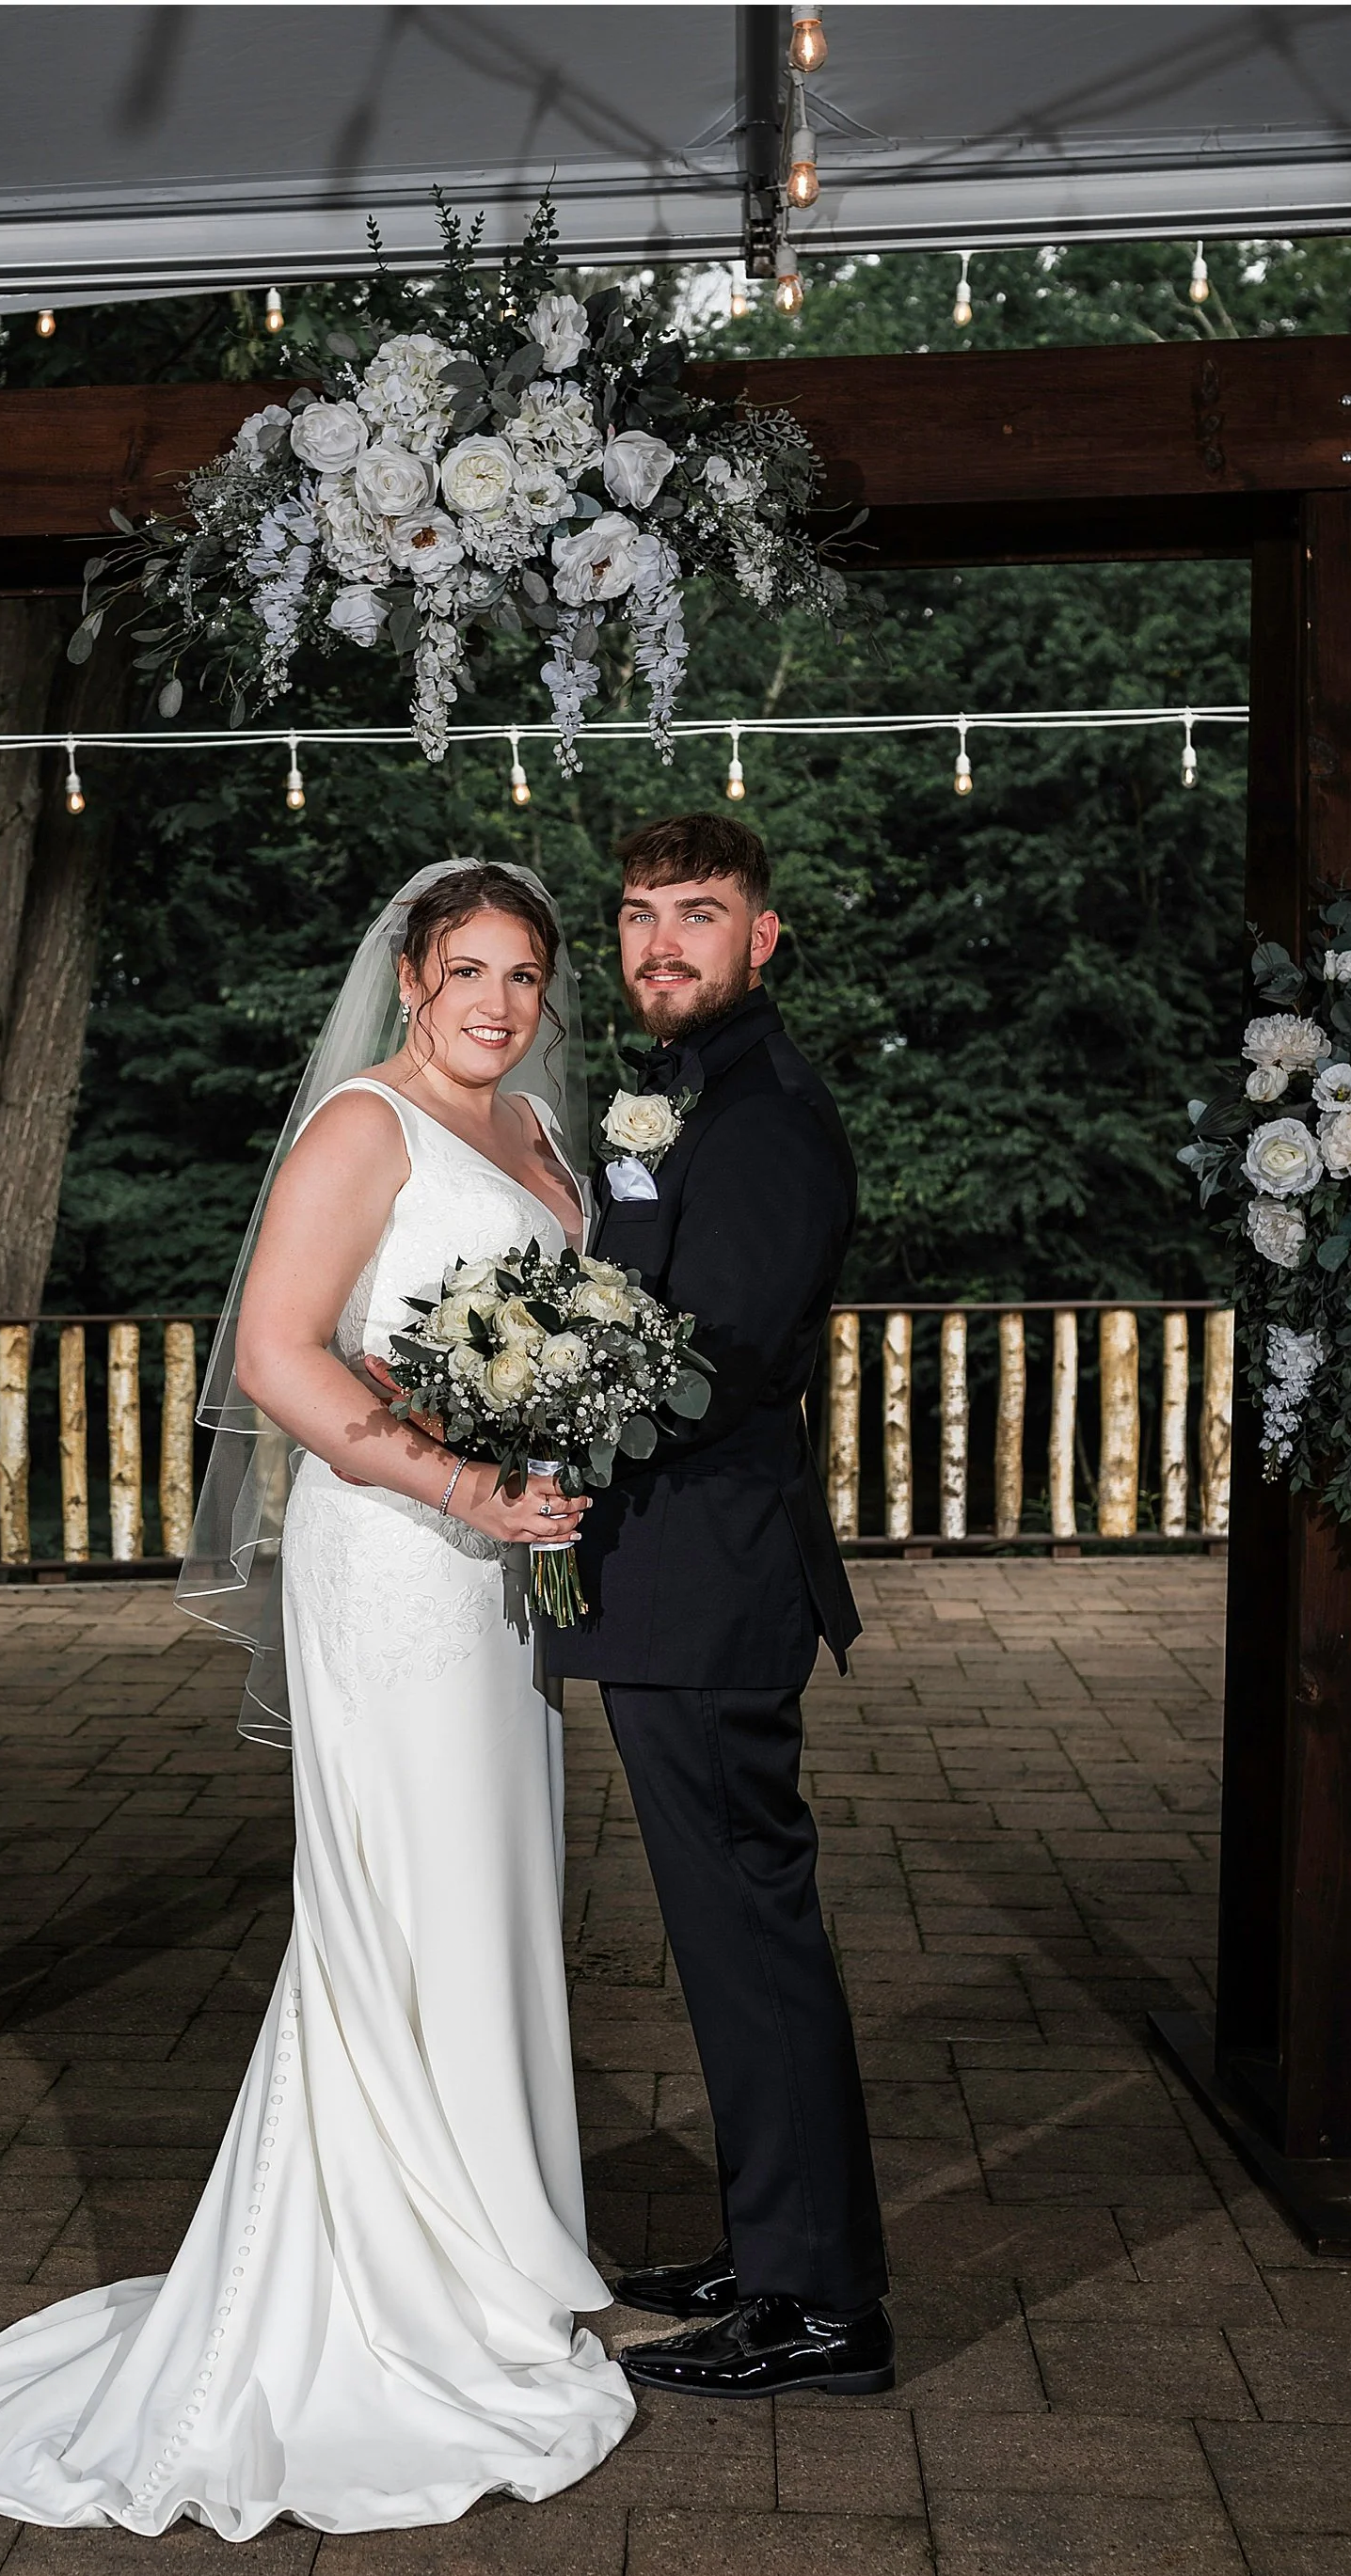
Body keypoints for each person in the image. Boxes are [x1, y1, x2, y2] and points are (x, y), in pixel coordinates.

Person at [0, 861, 634, 2536]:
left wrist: (542, 1451)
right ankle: (398, 2282)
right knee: (401, 1900)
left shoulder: (536, 1134)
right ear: (407, 979)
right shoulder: (364, 1127)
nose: (501, 1005)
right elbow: (275, 1353)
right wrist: (461, 1485)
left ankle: (491, 2236)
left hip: (498, 1563)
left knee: (490, 1888)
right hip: (396, 1563)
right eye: (469, 971)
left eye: (526, 975)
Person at [548, 813, 894, 2400]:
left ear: (764, 936)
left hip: (709, 1581)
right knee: (725, 1937)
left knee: (750, 1943)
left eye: (697, 914)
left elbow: (712, 1357)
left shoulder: (761, 1115)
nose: (658, 943)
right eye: (635, 915)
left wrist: (533, 1401)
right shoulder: (679, 1094)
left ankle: (819, 2309)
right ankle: (772, 2246)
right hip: (668, 1581)